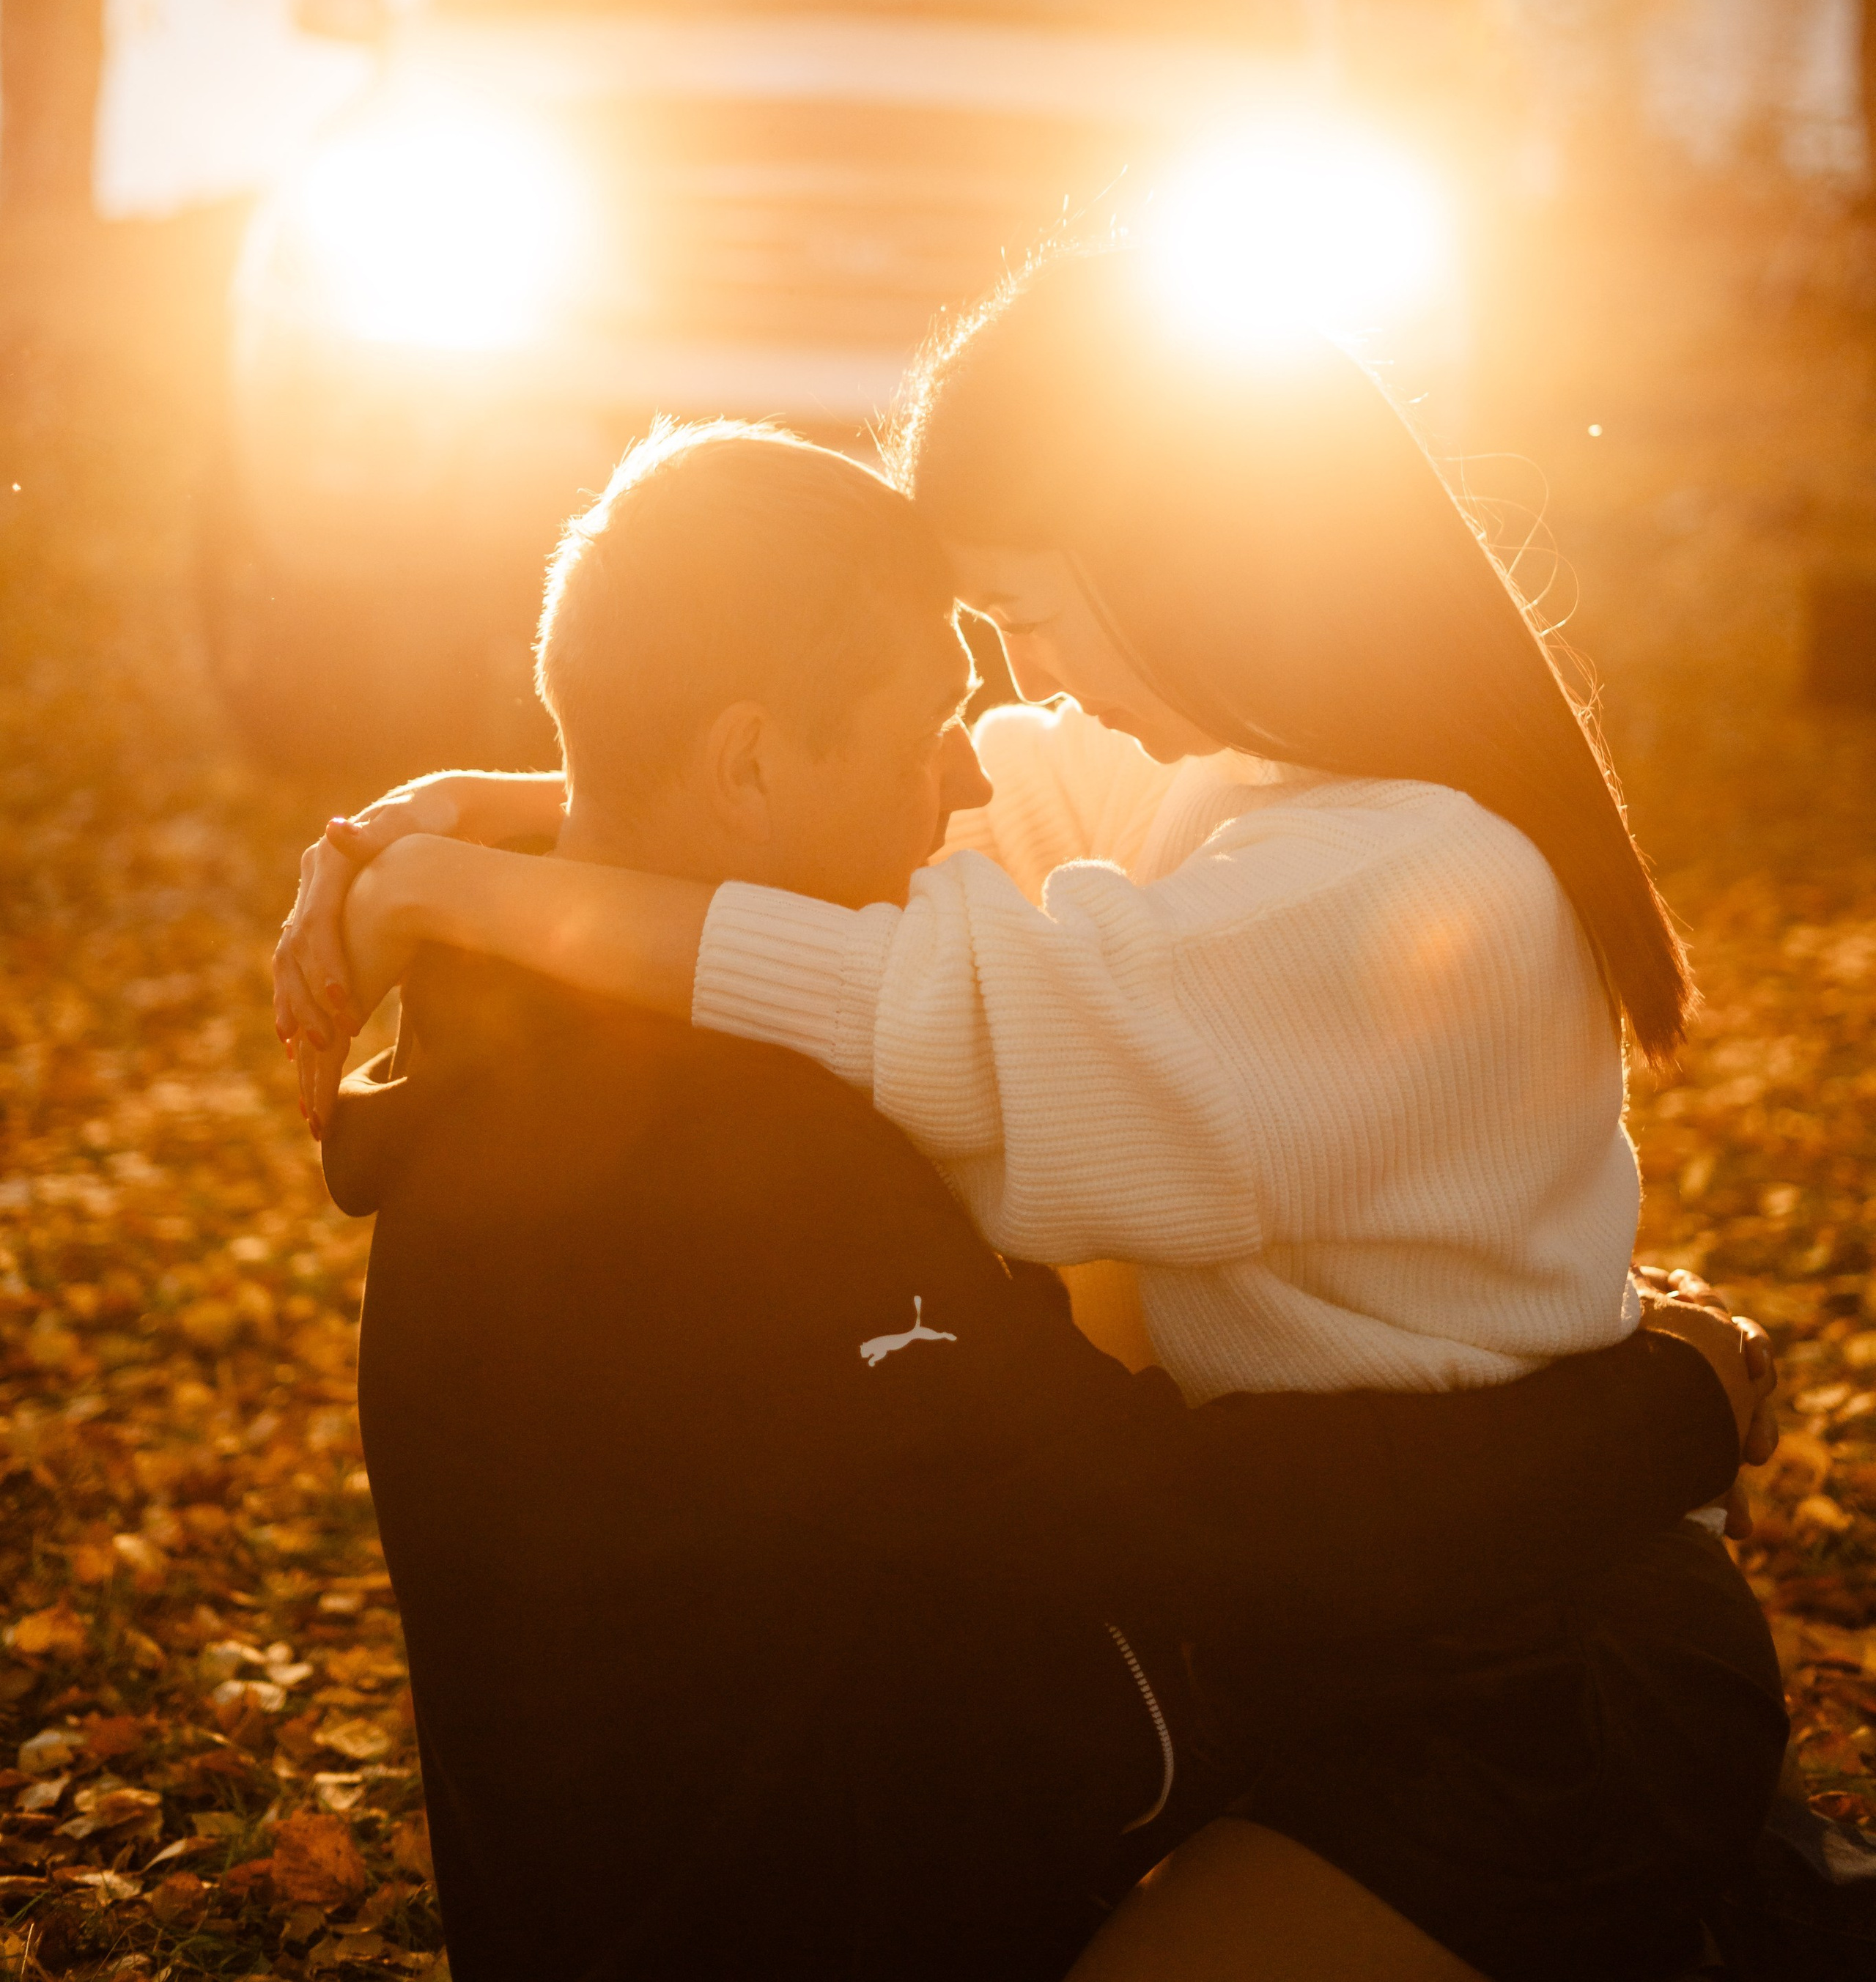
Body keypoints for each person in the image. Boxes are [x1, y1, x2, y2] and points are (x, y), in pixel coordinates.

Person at [309, 421, 1765, 1982]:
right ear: (745, 758)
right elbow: (1174, 1522)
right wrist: (1663, 1402)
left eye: (1033, 634)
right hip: (895, 1862)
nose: (971, 763)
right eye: (942, 705)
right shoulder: (749, 1163)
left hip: (1509, 1668)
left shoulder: (518, 1049)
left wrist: (496, 849)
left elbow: (940, 953)